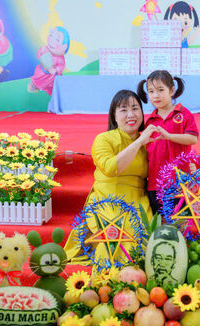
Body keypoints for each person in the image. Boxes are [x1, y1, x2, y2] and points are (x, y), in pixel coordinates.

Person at [64, 90, 156, 265]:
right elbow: (111, 168)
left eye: (135, 108)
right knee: (118, 231)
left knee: (141, 233)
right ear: (114, 116)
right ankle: (111, 272)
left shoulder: (149, 142)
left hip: (138, 198)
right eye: (123, 110)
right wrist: (139, 142)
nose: (131, 115)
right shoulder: (103, 139)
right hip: (107, 198)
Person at [137, 70, 199, 214]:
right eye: (151, 91)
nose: (155, 95)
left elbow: (193, 138)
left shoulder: (183, 113)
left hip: (179, 180)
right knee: (160, 220)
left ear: (171, 90)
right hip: (155, 182)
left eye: (160, 90)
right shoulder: (150, 120)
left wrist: (169, 136)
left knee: (180, 220)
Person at [28, 27, 70, 95]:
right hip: (43, 71)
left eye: (57, 40)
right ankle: (35, 86)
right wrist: (49, 68)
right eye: (51, 35)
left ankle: (52, 89)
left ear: (64, 47)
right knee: (38, 79)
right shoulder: (45, 49)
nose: (52, 40)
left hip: (53, 76)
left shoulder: (60, 57)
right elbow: (41, 56)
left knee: (53, 83)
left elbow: (61, 65)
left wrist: (56, 70)